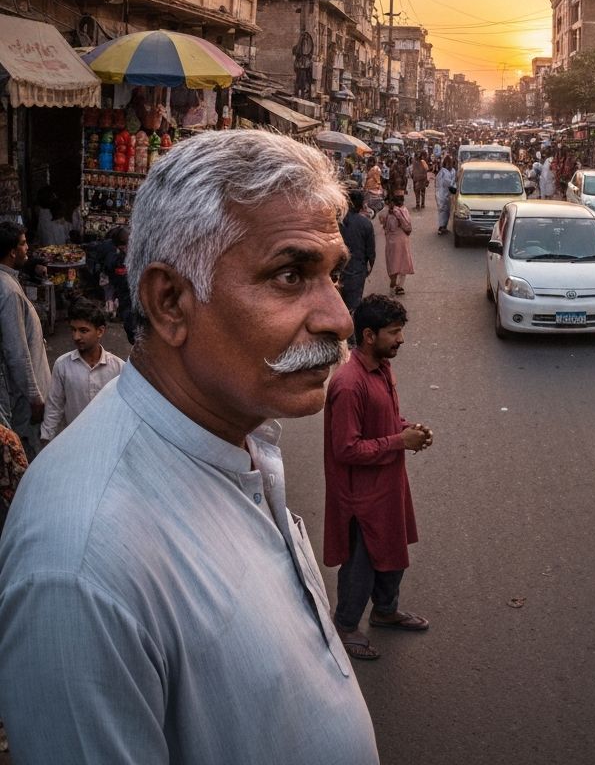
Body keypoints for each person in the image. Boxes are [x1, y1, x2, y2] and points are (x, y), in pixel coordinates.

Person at [0, 130, 379, 763]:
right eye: (290, 275)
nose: (340, 318)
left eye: (333, 275)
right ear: (170, 302)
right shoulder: (82, 564)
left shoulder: (239, 430)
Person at [324, 295, 433, 661]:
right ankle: (346, 624)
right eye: (394, 332)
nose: (401, 339)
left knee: (393, 553)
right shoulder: (349, 384)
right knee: (361, 562)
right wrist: (399, 441)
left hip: (388, 485)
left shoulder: (383, 369)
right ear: (369, 336)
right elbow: (346, 449)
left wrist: (408, 429)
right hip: (361, 496)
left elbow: (384, 422)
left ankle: (385, 611)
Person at [40, 299, 124, 447]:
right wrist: (46, 439)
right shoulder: (63, 365)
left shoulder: (118, 367)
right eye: (73, 330)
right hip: (74, 444)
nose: (76, 337)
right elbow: (54, 406)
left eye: (83, 331)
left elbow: (124, 411)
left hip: (108, 443)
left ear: (100, 331)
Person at [0, 223, 50, 459]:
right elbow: (16, 351)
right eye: (22, 243)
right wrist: (34, 397)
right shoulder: (8, 290)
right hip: (22, 400)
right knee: (30, 453)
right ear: (12, 251)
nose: (27, 248)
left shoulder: (8, 282)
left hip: (20, 395)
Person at [340, 190, 376, 314]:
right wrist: (369, 267)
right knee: (353, 307)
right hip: (356, 271)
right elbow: (370, 251)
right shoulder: (365, 223)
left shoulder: (336, 221)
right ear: (361, 205)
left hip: (336, 271)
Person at [380, 192, 414, 296]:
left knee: (392, 263)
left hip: (391, 241)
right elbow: (408, 226)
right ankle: (400, 286)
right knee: (402, 262)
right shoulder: (404, 211)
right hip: (403, 240)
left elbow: (381, 220)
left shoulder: (386, 212)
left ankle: (392, 286)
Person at [435, 155, 456, 235]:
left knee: (447, 212)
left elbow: (454, 181)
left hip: (448, 194)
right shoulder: (443, 172)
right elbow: (447, 183)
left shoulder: (452, 171)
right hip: (442, 194)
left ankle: (444, 227)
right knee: (442, 211)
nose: (448, 165)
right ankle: (441, 227)